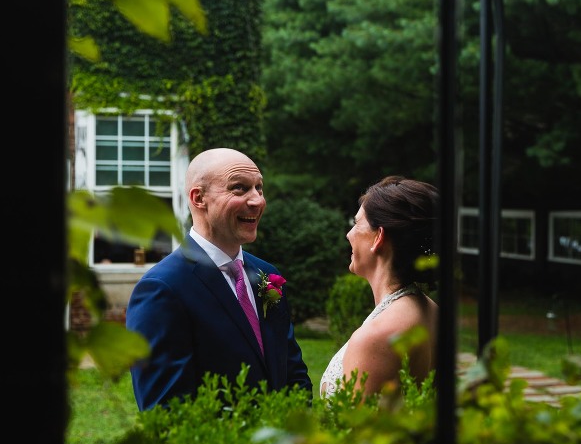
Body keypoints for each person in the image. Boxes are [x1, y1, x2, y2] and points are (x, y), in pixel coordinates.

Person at [127, 147, 312, 410]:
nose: (257, 200)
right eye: (239, 188)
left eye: (259, 188)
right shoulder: (162, 289)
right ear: (199, 198)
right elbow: (166, 409)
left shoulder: (267, 275)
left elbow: (292, 371)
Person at [320, 175, 439, 398]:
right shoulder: (431, 309)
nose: (348, 234)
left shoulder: (377, 337)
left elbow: (357, 430)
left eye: (356, 224)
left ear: (378, 237)